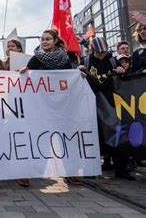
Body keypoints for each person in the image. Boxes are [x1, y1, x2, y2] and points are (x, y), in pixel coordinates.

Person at [19, 29, 73, 186]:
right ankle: (30, 173)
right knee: (39, 139)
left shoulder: (64, 58)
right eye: (42, 39)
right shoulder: (36, 58)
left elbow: (70, 76)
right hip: (40, 106)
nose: (44, 41)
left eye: (48, 39)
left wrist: (79, 74)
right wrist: (24, 71)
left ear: (55, 41)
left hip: (59, 105)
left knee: (62, 139)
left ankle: (69, 172)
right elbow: (27, 76)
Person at [77, 37, 135, 180]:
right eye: (99, 52)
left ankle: (121, 169)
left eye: (104, 51)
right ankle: (91, 168)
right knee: (93, 135)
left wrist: (121, 71)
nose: (102, 54)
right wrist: (77, 72)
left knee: (117, 134)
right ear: (93, 50)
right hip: (91, 103)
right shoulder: (85, 62)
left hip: (111, 102)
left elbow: (125, 80)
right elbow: (76, 80)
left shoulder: (113, 61)